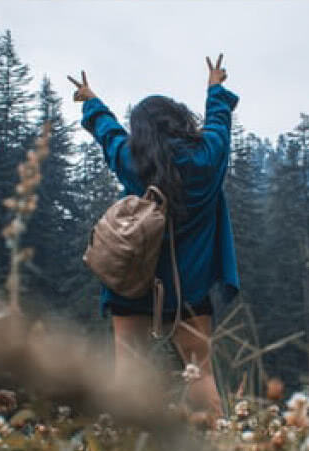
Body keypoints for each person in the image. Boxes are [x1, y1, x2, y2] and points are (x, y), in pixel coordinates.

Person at [68, 54, 239, 419]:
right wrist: (215, 85)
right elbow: (219, 123)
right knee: (201, 373)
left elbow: (109, 133)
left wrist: (90, 99)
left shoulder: (133, 162)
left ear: (142, 132)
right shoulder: (208, 158)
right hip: (189, 289)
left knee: (127, 373)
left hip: (133, 281)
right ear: (180, 121)